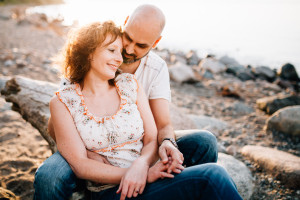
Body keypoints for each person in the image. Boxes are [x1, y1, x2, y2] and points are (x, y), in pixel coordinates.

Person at [34, 5, 242, 200]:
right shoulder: (70, 90)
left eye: (140, 45)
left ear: (155, 43)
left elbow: (159, 128)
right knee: (49, 175)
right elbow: (59, 129)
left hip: (141, 158)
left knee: (205, 143)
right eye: (123, 42)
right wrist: (89, 153)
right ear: (90, 52)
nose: (126, 52)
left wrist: (152, 158)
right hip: (96, 168)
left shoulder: (135, 80)